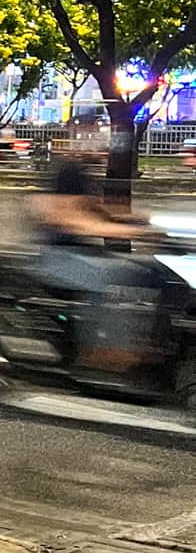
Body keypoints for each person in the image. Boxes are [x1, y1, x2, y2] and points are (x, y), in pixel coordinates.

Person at [28, 133, 172, 373]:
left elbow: (100, 211)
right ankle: (100, 351)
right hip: (56, 258)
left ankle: (153, 341)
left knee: (152, 271)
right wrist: (129, 231)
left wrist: (143, 221)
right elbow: (77, 221)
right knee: (112, 276)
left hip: (81, 253)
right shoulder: (61, 181)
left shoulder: (81, 179)